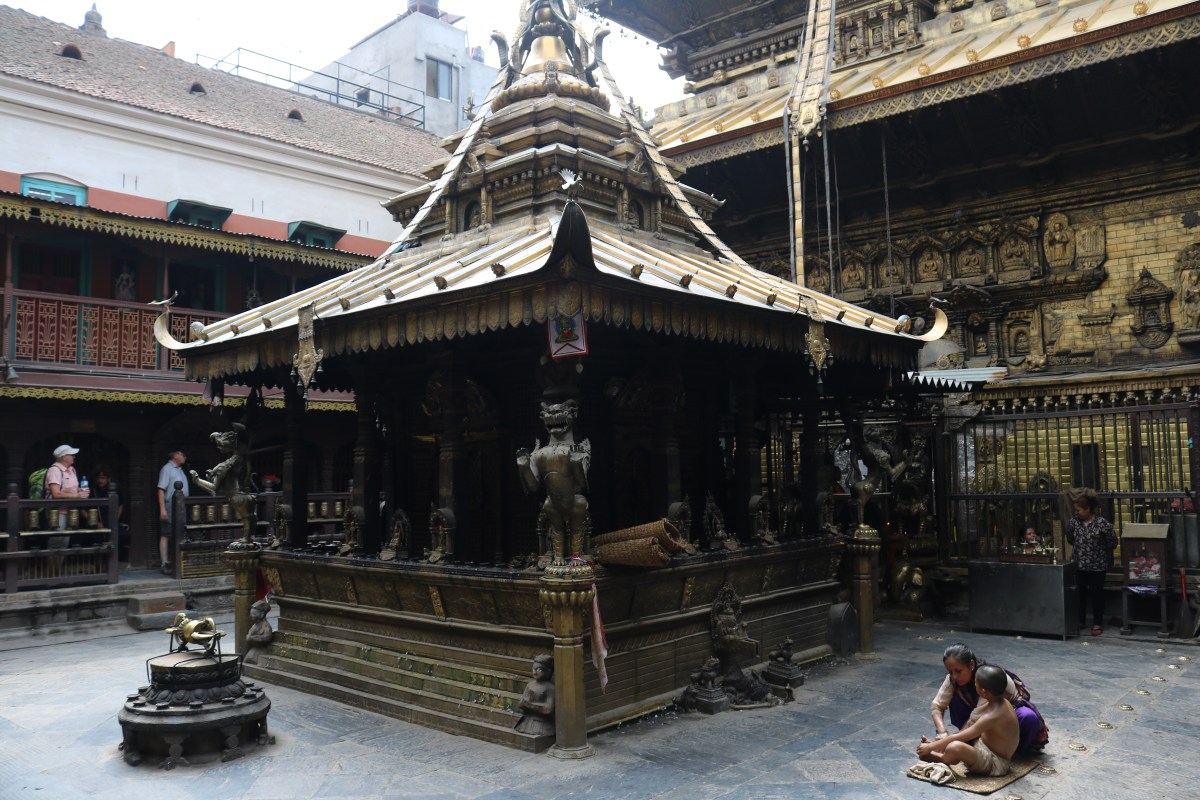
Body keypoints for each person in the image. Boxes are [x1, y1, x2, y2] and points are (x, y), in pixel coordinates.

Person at [930, 643, 1048, 756]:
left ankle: (1017, 751)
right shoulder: (953, 679)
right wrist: (942, 732)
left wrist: (947, 742)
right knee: (956, 699)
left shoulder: (987, 679)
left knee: (1028, 717)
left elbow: (975, 719)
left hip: (1003, 721)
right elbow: (937, 706)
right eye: (950, 672)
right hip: (980, 720)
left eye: (958, 671)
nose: (954, 676)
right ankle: (969, 738)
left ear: (971, 665)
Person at [918, 664, 1019, 777]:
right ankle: (939, 750)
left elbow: (959, 737)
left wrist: (930, 747)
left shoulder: (992, 715)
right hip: (984, 747)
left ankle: (940, 758)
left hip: (996, 762)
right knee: (956, 739)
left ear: (984, 692)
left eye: (976, 683)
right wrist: (938, 744)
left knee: (955, 746)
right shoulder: (1002, 702)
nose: (974, 684)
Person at [1066, 490, 1116, 635]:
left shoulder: (1102, 524)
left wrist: (1098, 551)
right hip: (1079, 564)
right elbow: (1070, 538)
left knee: (1097, 594)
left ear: (1088, 509)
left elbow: (1112, 542)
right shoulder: (1073, 523)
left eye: (1079, 510)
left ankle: (1097, 623)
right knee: (1079, 593)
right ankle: (1080, 620)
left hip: (1097, 565)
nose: (1077, 513)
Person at [156, 449, 188, 575]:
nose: (184, 456)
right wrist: (163, 509)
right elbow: (160, 489)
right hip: (170, 504)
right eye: (182, 453)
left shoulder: (180, 470)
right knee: (166, 533)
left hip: (181, 505)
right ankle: (164, 562)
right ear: (175, 455)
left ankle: (178, 562)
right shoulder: (167, 469)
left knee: (180, 532)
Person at [46, 444, 88, 530]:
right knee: (58, 538)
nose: (74, 457)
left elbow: (73, 489)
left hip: (72, 510)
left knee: (67, 537)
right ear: (64, 457)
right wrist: (76, 496)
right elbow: (56, 494)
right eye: (72, 455)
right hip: (58, 511)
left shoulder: (72, 469)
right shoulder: (54, 470)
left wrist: (81, 491)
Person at [90, 468, 129, 560]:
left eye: (103, 478)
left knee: (122, 535)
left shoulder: (114, 490)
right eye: (98, 478)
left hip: (111, 520)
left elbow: (120, 505)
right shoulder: (93, 491)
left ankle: (114, 559)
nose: (100, 480)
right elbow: (83, 510)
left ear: (108, 479)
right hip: (97, 521)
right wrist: (95, 522)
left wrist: (116, 519)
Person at [513, 654, 555, 736]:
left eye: (539, 670)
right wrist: (524, 703)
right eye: (533, 669)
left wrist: (530, 705)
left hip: (542, 723)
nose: (535, 672)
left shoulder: (550, 688)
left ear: (548, 671)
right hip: (527, 721)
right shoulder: (530, 685)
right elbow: (521, 703)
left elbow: (548, 709)